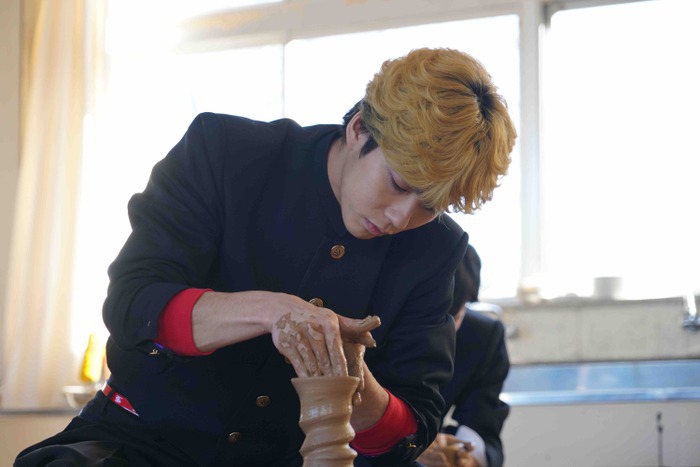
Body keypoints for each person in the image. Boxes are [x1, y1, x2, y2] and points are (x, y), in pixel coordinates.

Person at [15, 47, 516, 466]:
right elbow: (135, 306)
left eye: (430, 205)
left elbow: (412, 432)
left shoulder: (435, 249)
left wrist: (354, 381)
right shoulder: (227, 154)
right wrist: (272, 311)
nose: (401, 218)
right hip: (138, 440)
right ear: (360, 129)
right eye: (400, 184)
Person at [417, 245, 511, 467]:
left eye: (454, 317)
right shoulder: (370, 328)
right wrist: (407, 446)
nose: (441, 332)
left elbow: (481, 418)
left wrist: (466, 456)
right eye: (433, 318)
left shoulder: (482, 336)